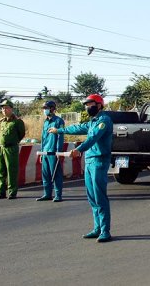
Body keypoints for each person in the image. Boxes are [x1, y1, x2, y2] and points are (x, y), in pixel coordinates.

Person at [49, 94, 113, 243]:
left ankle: (105, 231)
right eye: (86, 105)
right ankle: (97, 228)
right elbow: (77, 128)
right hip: (89, 160)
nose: (88, 107)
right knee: (91, 197)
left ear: (99, 105)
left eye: (90, 104)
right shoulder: (92, 122)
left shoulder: (104, 120)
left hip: (99, 161)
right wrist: (59, 130)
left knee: (99, 196)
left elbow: (93, 138)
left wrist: (79, 149)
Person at [0, 99, 25, 200]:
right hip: (1, 148)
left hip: (11, 148)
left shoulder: (17, 121)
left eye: (6, 108)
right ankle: (1, 192)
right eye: (3, 108)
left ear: (11, 109)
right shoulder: (2, 122)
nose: (4, 110)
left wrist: (13, 141)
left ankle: (12, 192)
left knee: (11, 170)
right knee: (1, 171)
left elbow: (21, 134)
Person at [37, 100, 65, 202]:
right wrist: (41, 152)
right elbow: (43, 138)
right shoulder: (45, 122)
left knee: (56, 174)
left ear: (52, 109)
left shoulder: (59, 121)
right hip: (45, 151)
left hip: (53, 152)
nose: (45, 110)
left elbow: (60, 137)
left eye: (46, 108)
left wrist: (58, 151)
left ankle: (58, 195)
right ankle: (47, 194)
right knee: (45, 174)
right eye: (44, 108)